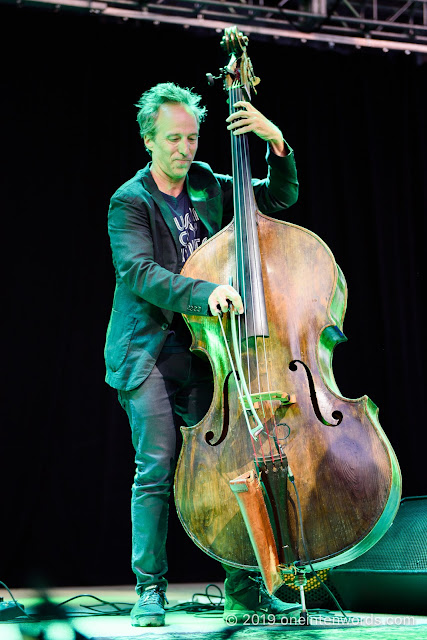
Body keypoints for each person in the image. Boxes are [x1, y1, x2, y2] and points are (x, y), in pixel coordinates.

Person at [104, 82, 300, 627]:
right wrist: (204, 292)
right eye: (173, 138)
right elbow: (140, 273)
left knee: (231, 464)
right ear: (148, 139)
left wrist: (276, 143)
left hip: (205, 351)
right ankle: (150, 589)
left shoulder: (209, 182)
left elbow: (278, 199)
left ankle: (245, 587)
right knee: (158, 466)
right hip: (146, 351)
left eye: (192, 137)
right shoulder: (130, 201)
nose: (185, 148)